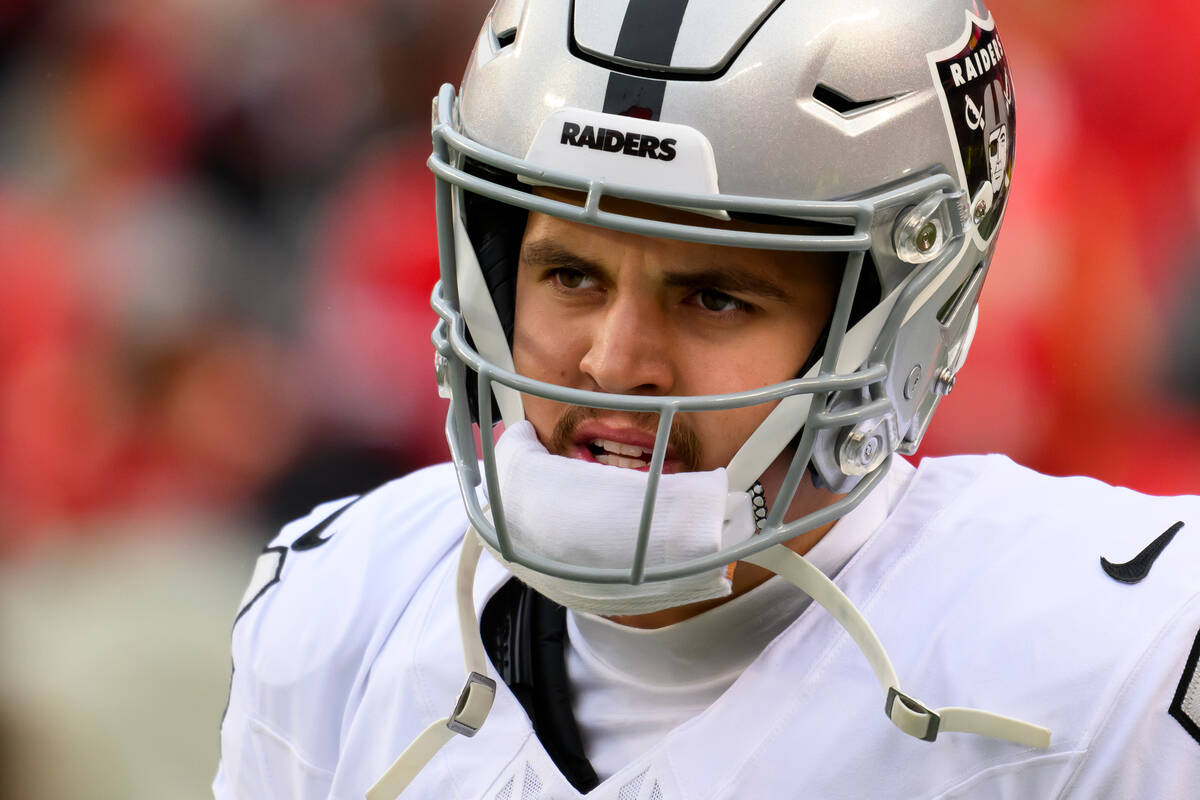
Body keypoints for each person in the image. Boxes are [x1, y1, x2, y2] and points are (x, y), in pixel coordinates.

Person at [215, 1, 1200, 798]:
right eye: (569, 275)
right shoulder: (344, 613)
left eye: (714, 296)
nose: (612, 360)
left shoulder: (1107, 660)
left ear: (902, 318)